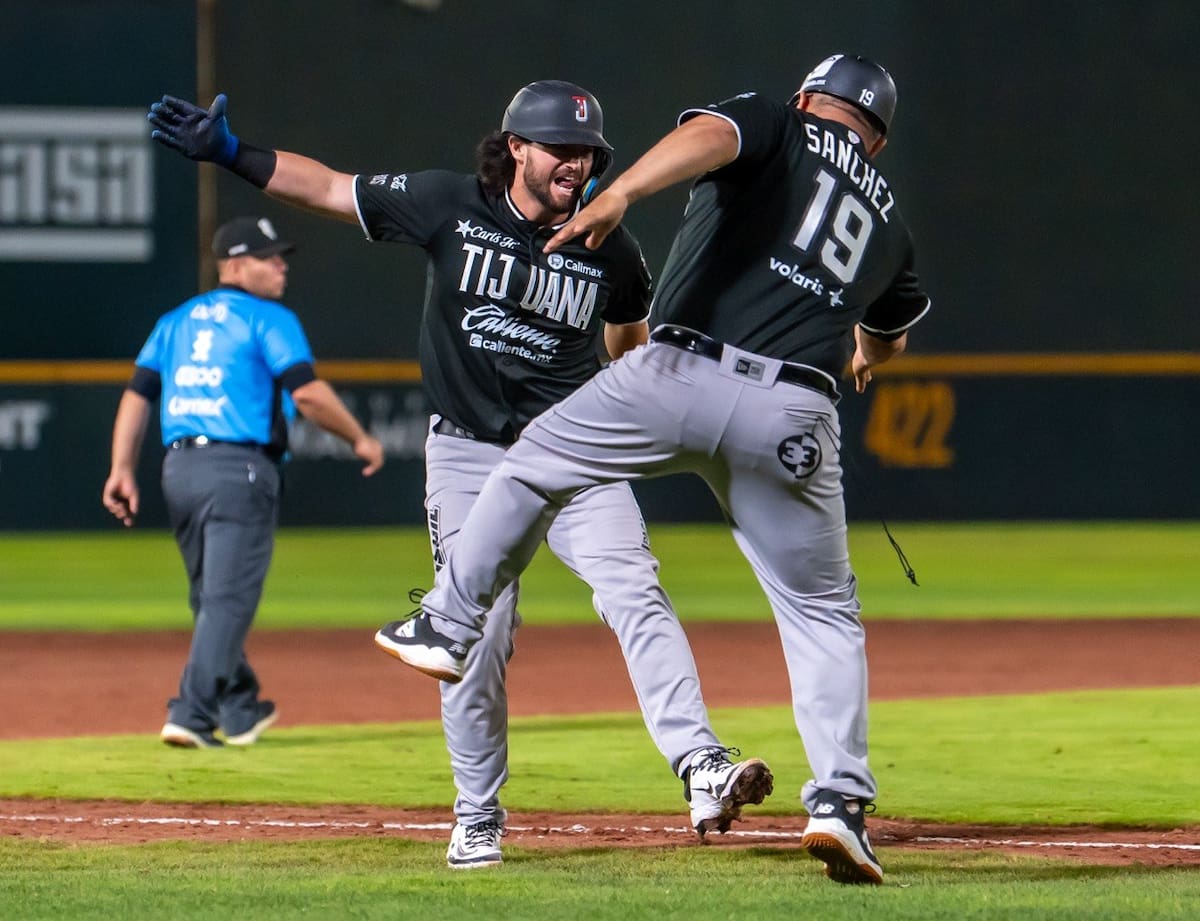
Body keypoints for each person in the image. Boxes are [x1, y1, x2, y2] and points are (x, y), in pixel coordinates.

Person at [146, 81, 773, 867]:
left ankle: (701, 764)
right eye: (560, 149)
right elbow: (335, 190)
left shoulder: (609, 244)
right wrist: (232, 155)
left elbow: (628, 340)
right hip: (472, 454)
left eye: (588, 153)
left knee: (635, 590)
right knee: (477, 633)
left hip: (575, 448)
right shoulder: (448, 204)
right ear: (516, 148)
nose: (576, 165)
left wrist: (646, 407)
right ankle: (477, 811)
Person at [370, 54, 932, 885]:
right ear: (877, 141)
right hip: (798, 412)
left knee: (527, 463)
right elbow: (891, 334)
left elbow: (708, 137)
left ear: (810, 98)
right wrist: (861, 349)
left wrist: (626, 190)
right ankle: (841, 805)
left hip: (683, 373)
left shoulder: (779, 123)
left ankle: (450, 621)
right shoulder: (888, 220)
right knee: (822, 612)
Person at [102, 216, 385, 749]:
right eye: (268, 257)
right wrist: (360, 439)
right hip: (240, 469)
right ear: (234, 265)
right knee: (228, 601)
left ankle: (239, 706)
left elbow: (138, 393)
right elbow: (307, 394)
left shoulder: (177, 320)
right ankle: (191, 713)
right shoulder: (268, 318)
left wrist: (120, 467)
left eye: (281, 256)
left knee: (210, 596)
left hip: (179, 469)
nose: (281, 267)